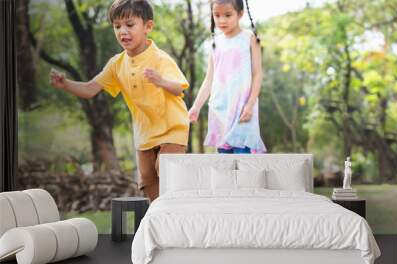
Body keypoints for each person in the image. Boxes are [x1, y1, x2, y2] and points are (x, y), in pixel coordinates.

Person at [49, 0, 190, 202]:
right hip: (145, 134)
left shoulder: (160, 58)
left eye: (130, 25)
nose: (122, 31)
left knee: (168, 171)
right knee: (149, 181)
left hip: (172, 128)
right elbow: (90, 89)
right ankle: (160, 221)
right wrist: (65, 84)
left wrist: (161, 81)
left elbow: (179, 88)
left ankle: (179, 216)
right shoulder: (117, 64)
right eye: (117, 26)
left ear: (148, 26)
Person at [188, 0, 266, 154]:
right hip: (220, 110)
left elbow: (257, 74)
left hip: (243, 108)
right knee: (225, 164)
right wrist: (196, 106)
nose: (221, 20)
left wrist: (250, 104)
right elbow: (209, 79)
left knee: (244, 161)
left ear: (240, 14)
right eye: (217, 15)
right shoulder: (215, 43)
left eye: (228, 15)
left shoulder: (250, 38)